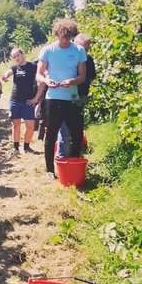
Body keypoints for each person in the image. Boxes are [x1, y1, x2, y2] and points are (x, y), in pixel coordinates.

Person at [36, 19, 87, 179]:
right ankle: (50, 170)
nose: (64, 40)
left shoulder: (79, 50)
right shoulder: (48, 50)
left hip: (72, 98)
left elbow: (82, 77)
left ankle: (73, 163)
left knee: (77, 134)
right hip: (53, 99)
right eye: (62, 37)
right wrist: (46, 81)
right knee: (50, 135)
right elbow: (38, 74)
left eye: (68, 37)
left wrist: (72, 81)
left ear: (72, 36)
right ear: (57, 34)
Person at [57, 33, 96, 158]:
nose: (82, 51)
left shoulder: (88, 60)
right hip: (65, 96)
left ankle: (74, 156)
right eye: (80, 48)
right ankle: (63, 156)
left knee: (77, 128)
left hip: (80, 97)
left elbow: (90, 78)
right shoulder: (67, 56)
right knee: (64, 128)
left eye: (85, 49)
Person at [1, 47, 44, 156]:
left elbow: (42, 82)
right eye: (14, 57)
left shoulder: (33, 67)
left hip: (28, 102)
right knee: (16, 125)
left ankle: (27, 147)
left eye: (17, 55)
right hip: (15, 101)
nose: (16, 58)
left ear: (22, 54)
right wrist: (5, 76)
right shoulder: (15, 68)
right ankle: (15, 148)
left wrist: (36, 98)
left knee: (30, 126)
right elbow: (9, 72)